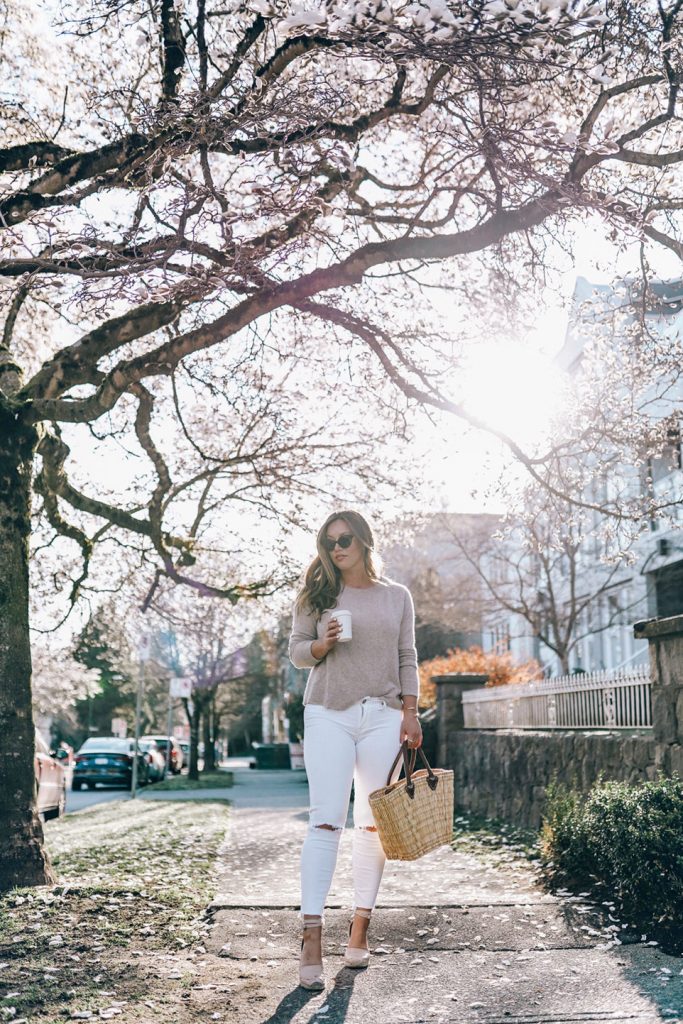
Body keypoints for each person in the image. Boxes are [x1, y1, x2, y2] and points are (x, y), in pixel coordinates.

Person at [288, 509, 422, 990]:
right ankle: (311, 936)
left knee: (372, 825)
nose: (337, 548)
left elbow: (408, 656)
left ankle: (360, 927)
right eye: (329, 543)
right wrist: (321, 644)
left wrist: (411, 711)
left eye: (345, 539)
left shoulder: (396, 596)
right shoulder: (316, 594)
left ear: (364, 540)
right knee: (325, 821)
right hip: (328, 711)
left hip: (384, 715)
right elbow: (296, 651)